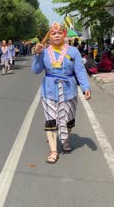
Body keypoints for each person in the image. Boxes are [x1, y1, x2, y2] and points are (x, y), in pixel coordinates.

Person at [32, 23, 91, 164]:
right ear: (50, 36)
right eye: (53, 33)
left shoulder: (73, 51)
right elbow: (36, 70)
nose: (56, 35)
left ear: (64, 35)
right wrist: (38, 55)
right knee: (51, 120)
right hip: (49, 90)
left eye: (59, 33)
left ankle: (65, 140)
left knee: (69, 118)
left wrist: (85, 86)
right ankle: (53, 151)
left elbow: (79, 69)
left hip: (69, 89)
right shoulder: (44, 51)